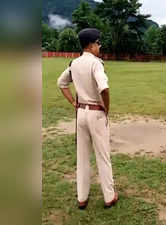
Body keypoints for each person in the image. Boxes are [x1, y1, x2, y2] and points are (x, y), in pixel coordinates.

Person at [57, 28, 118, 209]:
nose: (99, 46)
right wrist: (106, 108)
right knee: (103, 156)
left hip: (81, 113)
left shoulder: (74, 63)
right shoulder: (96, 63)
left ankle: (82, 198)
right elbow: (104, 88)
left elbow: (61, 83)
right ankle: (109, 196)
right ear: (91, 45)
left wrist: (73, 103)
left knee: (82, 157)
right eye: (98, 43)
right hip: (96, 113)